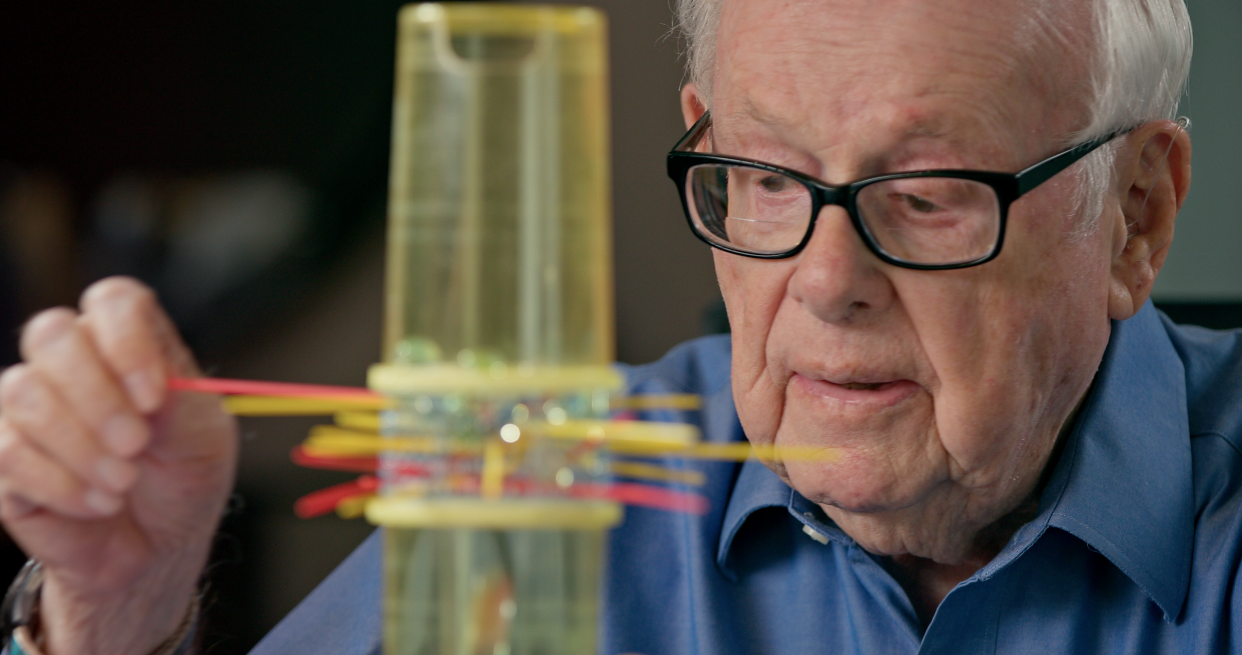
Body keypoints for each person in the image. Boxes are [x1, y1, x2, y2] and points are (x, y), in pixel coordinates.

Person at [1, 0, 1238, 653]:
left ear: (1134, 215)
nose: (822, 281)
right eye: (764, 178)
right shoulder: (551, 474)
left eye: (924, 195)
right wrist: (120, 607)